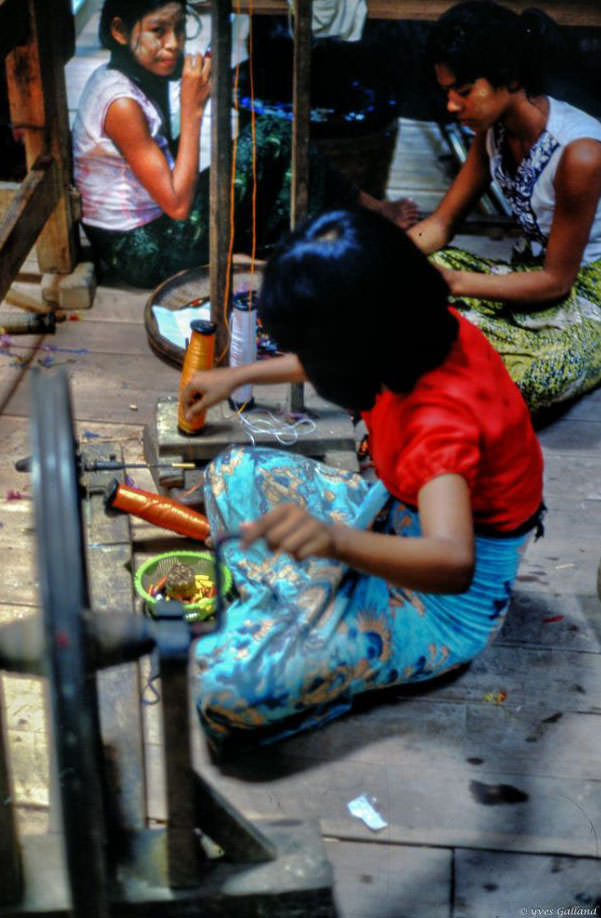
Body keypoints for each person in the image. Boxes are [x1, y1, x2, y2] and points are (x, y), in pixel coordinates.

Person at [180, 207, 544, 748]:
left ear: (353, 353)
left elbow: (452, 563)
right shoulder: (409, 322)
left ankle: (299, 618)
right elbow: (339, 347)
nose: (310, 362)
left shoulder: (440, 423)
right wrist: (241, 373)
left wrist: (335, 542)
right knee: (234, 469)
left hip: (441, 600)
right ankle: (299, 605)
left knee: (224, 691)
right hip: (396, 510)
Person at [72, 0, 417, 289]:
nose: (174, 43)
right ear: (119, 31)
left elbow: (170, 168)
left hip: (151, 226)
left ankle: (329, 237)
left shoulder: (135, 74)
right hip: (140, 251)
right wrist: (193, 110)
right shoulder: (120, 103)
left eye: (179, 29)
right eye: (158, 31)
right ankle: (363, 213)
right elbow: (178, 205)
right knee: (271, 134)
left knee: (277, 177)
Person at [407, 0, 601, 416]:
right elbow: (440, 226)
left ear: (509, 79)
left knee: (537, 377)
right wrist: (376, 256)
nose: (452, 106)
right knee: (406, 273)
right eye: (447, 93)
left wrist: (451, 283)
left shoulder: (580, 154)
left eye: (463, 91)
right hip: (535, 275)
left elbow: (556, 282)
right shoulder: (492, 133)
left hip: (586, 293)